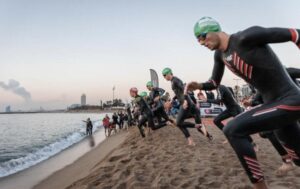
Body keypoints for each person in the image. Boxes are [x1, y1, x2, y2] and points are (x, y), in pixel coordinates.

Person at [186, 16, 300, 188]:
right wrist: (199, 85)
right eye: (198, 40)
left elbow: (296, 34)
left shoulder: (246, 37)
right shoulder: (220, 56)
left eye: (202, 37)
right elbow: (214, 83)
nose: (201, 42)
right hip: (274, 106)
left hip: (290, 99)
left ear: (213, 30)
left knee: (233, 129)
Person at [162, 68, 212, 146]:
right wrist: (172, 100)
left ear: (169, 73)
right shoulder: (173, 81)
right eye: (163, 76)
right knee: (198, 128)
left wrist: (185, 100)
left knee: (179, 122)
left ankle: (191, 139)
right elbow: (178, 93)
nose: (164, 77)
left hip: (186, 103)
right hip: (191, 104)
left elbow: (183, 88)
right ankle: (209, 136)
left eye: (164, 75)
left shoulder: (175, 80)